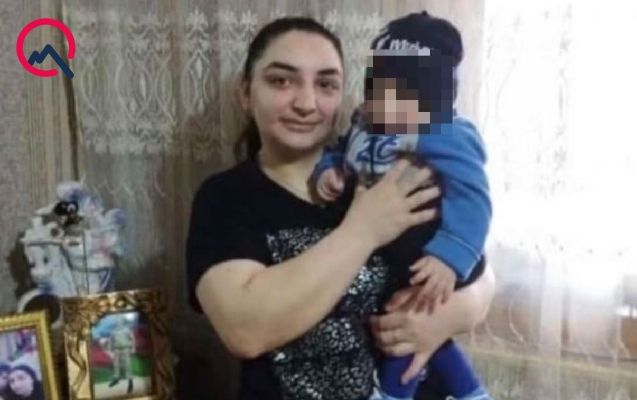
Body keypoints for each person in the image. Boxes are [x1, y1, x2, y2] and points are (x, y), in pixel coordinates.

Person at [186, 16, 496, 400]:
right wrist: (363, 231)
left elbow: (480, 271)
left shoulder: (387, 169)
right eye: (281, 81)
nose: (306, 103)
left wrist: (445, 318)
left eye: (326, 84)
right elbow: (245, 332)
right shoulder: (226, 197)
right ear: (246, 94)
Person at [311, 12, 492, 400]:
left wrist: (449, 258)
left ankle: (395, 393)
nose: (389, 104)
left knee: (401, 322)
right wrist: (330, 170)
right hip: (391, 253)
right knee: (417, 331)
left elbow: (473, 196)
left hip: (431, 253)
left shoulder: (443, 134)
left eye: (407, 95)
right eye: (380, 90)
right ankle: (471, 392)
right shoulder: (364, 124)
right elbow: (341, 150)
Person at [107, 316, 135, 394]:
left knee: (127, 365)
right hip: (116, 350)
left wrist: (133, 348)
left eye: (120, 321)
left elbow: (132, 338)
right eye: (117, 321)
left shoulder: (126, 330)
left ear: (122, 322)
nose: (118, 322)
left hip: (125, 349)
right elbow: (110, 341)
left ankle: (130, 383)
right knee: (116, 365)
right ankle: (116, 379)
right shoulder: (113, 331)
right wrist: (110, 351)